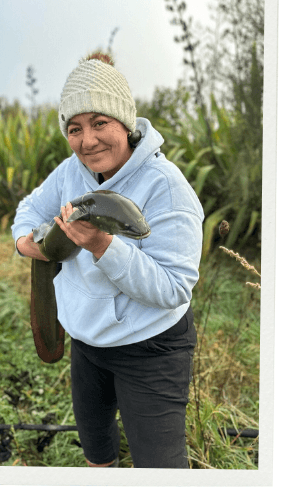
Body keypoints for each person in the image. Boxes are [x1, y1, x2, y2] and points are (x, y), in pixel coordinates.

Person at [11, 53, 204, 469]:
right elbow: (30, 209)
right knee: (97, 451)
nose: (87, 141)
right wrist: (26, 242)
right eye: (75, 129)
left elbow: (174, 288)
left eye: (100, 123)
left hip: (151, 347)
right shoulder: (69, 171)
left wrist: (103, 246)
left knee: (160, 468)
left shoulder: (168, 189)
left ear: (126, 123)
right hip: (87, 341)